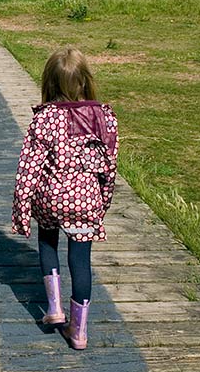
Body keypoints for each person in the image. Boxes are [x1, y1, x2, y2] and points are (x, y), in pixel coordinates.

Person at [11, 47, 119, 350]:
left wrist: (22, 209)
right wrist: (102, 203)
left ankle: (55, 307)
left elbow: (28, 167)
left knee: (47, 241)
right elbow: (108, 168)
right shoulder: (104, 119)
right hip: (85, 201)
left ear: (50, 83)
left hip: (49, 197)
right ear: (85, 82)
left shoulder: (44, 119)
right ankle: (79, 332)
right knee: (81, 261)